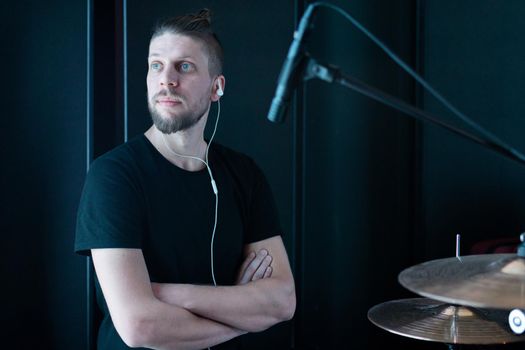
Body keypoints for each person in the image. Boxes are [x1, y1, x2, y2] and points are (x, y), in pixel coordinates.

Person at [74, 8, 296, 350]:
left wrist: (169, 294)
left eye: (185, 66)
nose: (166, 79)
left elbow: (282, 302)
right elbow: (139, 327)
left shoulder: (244, 175)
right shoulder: (114, 177)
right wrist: (243, 313)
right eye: (156, 65)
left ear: (216, 87)